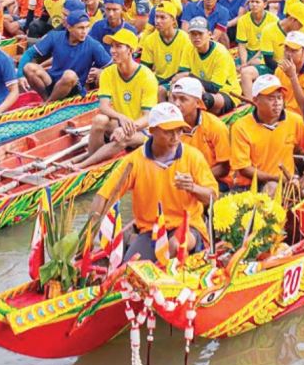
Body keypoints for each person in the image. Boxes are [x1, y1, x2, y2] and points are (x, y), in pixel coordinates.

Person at [86, 101, 216, 260]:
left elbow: (212, 196)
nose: (176, 137)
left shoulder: (193, 156)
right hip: (150, 230)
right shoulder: (134, 161)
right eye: (169, 132)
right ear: (153, 131)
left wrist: (193, 188)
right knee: (131, 269)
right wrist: (88, 237)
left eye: (179, 130)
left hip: (187, 226)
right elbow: (104, 197)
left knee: (176, 246)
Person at [78, 29, 160, 167]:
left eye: (119, 46)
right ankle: (94, 162)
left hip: (142, 128)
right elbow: (103, 106)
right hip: (121, 122)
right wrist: (120, 117)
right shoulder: (107, 73)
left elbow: (148, 117)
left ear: (130, 50)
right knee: (99, 120)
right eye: (112, 46)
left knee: (124, 138)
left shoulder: (147, 76)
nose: (113, 51)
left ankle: (83, 165)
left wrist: (128, 127)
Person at [20, 10, 112, 102]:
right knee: (29, 68)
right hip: (53, 80)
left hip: (74, 86)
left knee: (69, 75)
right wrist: (20, 75)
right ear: (69, 27)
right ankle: (46, 99)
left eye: (87, 27)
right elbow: (29, 53)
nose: (84, 31)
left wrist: (101, 71)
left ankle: (48, 103)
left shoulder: (93, 45)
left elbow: (112, 66)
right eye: (80, 28)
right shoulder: (55, 36)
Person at [168, 77, 232, 182]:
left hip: (215, 180)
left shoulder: (215, 126)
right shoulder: (168, 126)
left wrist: (195, 178)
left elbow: (224, 168)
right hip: (180, 179)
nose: (176, 103)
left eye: (183, 99)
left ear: (198, 103)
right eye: (174, 98)